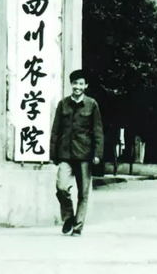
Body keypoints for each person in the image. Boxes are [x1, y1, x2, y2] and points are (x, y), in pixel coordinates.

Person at [50, 69, 104, 237]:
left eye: (81, 84)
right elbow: (55, 130)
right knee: (61, 187)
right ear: (71, 84)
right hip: (65, 153)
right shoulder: (63, 104)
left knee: (83, 192)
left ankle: (78, 226)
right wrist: (53, 153)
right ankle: (68, 217)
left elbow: (98, 131)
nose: (78, 87)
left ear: (86, 86)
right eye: (75, 83)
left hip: (84, 154)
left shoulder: (92, 104)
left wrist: (97, 154)